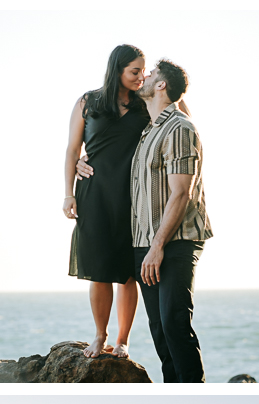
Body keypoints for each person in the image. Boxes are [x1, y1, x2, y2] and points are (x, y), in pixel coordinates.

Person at [76, 58, 211, 382]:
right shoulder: (148, 129)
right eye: (139, 71)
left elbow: (181, 193)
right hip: (146, 241)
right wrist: (86, 159)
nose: (144, 77)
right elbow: (109, 150)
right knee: (161, 331)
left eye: (149, 74)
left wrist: (157, 246)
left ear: (161, 86)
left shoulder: (179, 127)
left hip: (173, 241)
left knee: (175, 324)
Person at [63, 44, 148, 360]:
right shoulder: (89, 102)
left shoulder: (146, 104)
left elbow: (180, 116)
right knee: (98, 269)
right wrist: (68, 191)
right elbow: (72, 151)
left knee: (128, 272)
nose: (141, 77)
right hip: (94, 193)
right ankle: (100, 336)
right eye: (134, 71)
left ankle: (123, 341)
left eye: (143, 70)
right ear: (118, 70)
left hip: (133, 196)